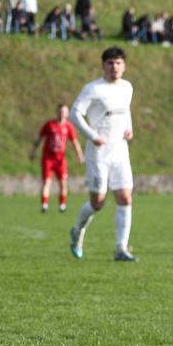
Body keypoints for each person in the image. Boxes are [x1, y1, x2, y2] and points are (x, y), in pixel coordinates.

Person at [68, 47, 139, 262]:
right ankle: (77, 230)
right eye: (110, 63)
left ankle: (121, 248)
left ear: (124, 66)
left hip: (120, 151)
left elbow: (126, 110)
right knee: (98, 202)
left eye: (118, 63)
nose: (114, 67)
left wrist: (129, 127)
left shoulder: (127, 87)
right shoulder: (93, 89)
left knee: (125, 197)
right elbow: (74, 113)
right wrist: (91, 135)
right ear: (103, 65)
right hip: (99, 152)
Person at [30, 104, 84, 212]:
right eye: (60, 111)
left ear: (67, 113)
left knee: (63, 182)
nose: (62, 114)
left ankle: (62, 205)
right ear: (57, 112)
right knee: (47, 182)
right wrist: (33, 151)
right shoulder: (50, 124)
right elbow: (39, 138)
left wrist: (80, 155)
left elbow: (74, 142)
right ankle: (44, 205)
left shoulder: (68, 126)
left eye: (64, 112)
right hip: (48, 158)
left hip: (60, 160)